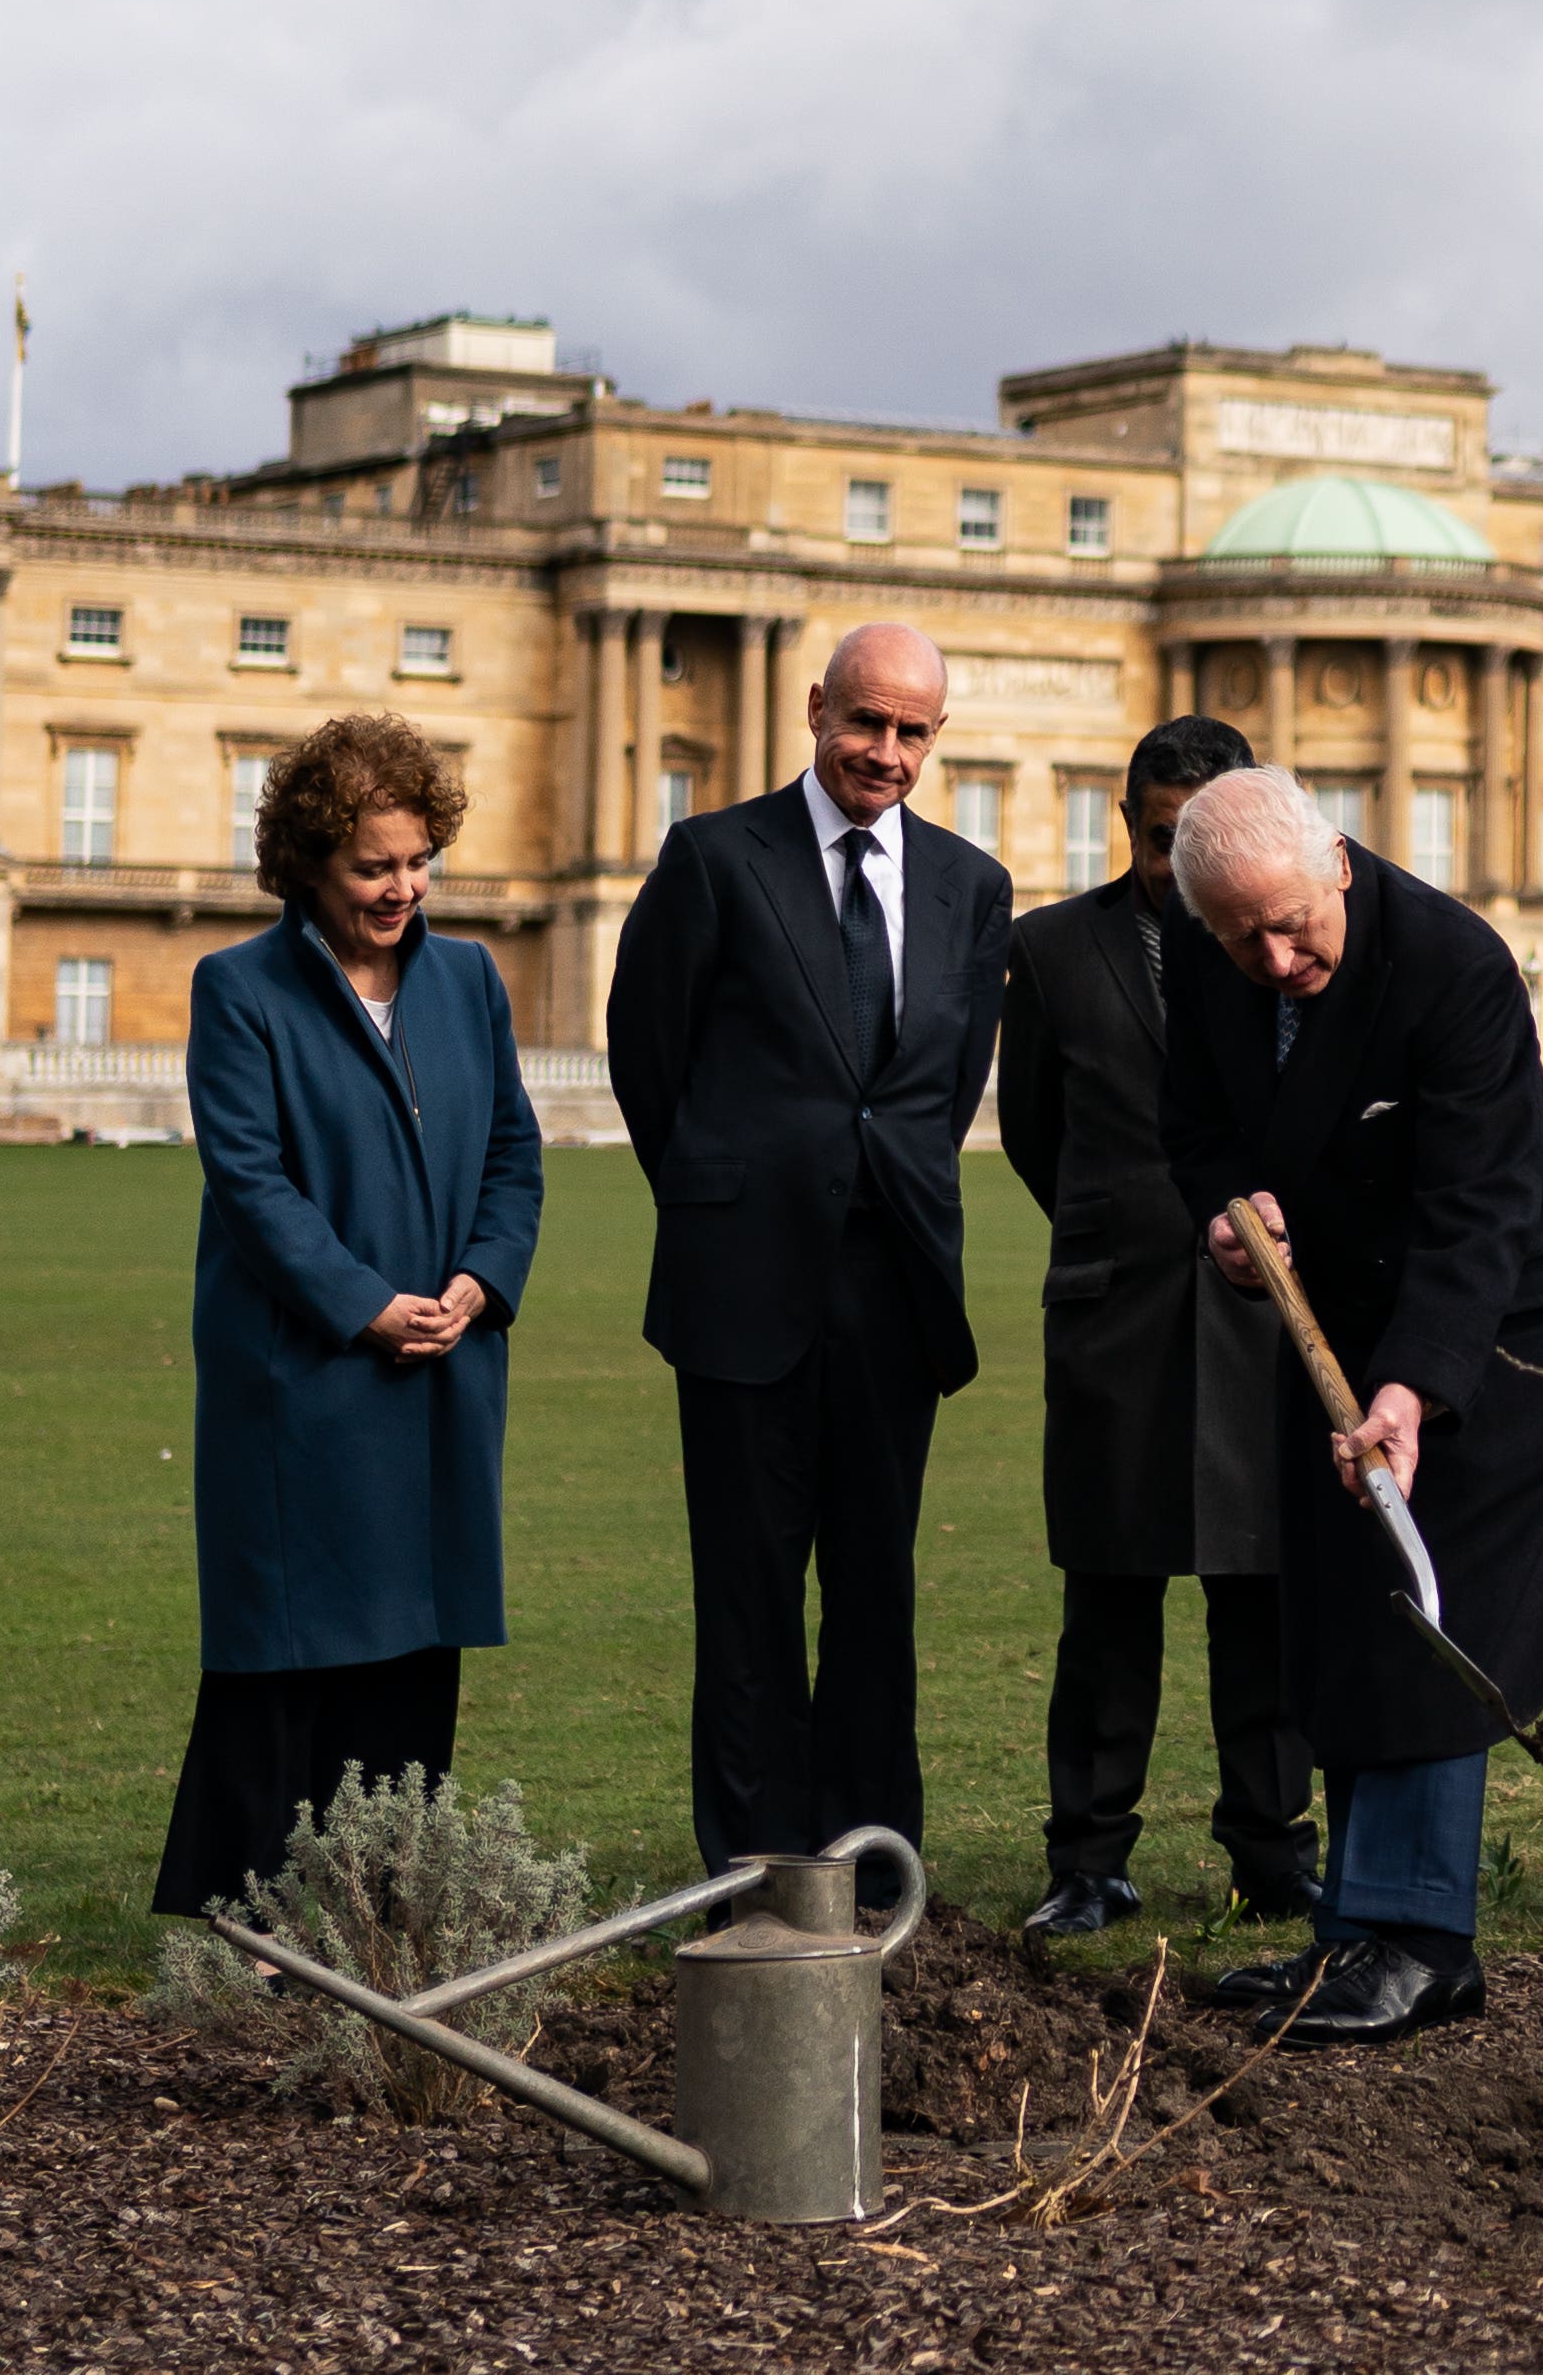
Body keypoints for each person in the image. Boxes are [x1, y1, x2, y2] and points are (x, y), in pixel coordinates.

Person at [1160, 767, 1543, 2046]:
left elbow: (1480, 1206)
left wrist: (1414, 1385)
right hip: (1326, 1328)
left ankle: (1421, 1941)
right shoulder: (1209, 962)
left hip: (1480, 1334)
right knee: (1343, 1615)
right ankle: (1350, 1931)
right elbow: (1193, 1127)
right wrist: (1235, 1212)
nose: (1277, 956)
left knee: (1424, 1618)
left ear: (1338, 859)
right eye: (1245, 938)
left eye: (1294, 923)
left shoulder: (1453, 964)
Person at [606, 619, 1014, 1871]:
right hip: (742, 1282)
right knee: (748, 1599)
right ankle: (755, 1871)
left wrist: (870, 1178)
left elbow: (939, 1092)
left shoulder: (971, 885)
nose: (883, 751)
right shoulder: (713, 857)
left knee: (877, 1595)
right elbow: (648, 1061)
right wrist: (734, 1193)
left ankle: (869, 1857)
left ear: (934, 739)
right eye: (864, 722)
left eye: (910, 732)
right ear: (814, 707)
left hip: (894, 1284)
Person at [154, 712, 544, 1918]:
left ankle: (386, 1898)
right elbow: (252, 1182)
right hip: (305, 1373)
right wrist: (366, 1305)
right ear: (309, 863)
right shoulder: (239, 988)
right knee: (288, 1649)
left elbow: (516, 1156)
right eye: (373, 865)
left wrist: (482, 1280)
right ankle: (254, 1908)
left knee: (417, 1646)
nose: (402, 886)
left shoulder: (470, 976)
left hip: (444, 1366)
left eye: (419, 859)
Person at [998, 712, 1321, 1938]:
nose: (1165, 859)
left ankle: (1270, 1853)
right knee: (1108, 1607)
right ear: (1124, 815)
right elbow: (1035, 1131)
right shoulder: (1049, 949)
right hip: (1114, 1311)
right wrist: (1125, 1232)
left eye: (1192, 835)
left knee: (1262, 1600)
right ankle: (1087, 1859)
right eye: (1149, 833)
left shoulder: (1277, 948)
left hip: (1263, 1314)